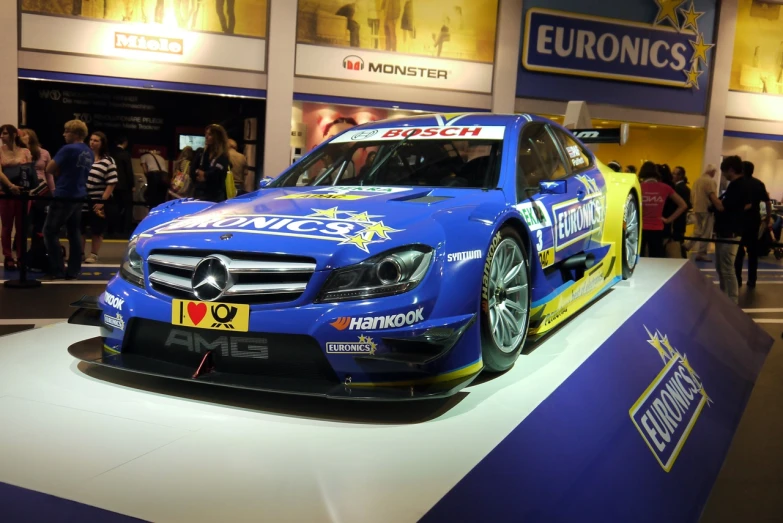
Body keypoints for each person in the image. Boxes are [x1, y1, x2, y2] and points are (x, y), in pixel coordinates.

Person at [43, 119, 94, 280]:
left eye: (67, 131)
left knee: (49, 231)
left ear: (76, 134)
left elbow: (49, 168)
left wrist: (60, 172)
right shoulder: (89, 151)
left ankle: (57, 268)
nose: (64, 134)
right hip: (79, 194)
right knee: (74, 232)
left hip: (64, 194)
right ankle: (73, 270)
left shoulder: (68, 149)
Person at [712, 155, 750, 304]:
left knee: (727, 268)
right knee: (722, 267)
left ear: (731, 170)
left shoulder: (738, 186)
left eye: (725, 171)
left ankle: (732, 300)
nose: (724, 175)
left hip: (730, 232)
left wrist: (711, 196)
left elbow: (723, 207)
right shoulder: (739, 185)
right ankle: (725, 297)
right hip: (728, 231)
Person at [81, 132, 118, 264]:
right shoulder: (85, 158)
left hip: (99, 199)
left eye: (96, 140)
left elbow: (112, 182)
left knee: (97, 228)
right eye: (91, 140)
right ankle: (79, 253)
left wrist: (103, 200)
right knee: (80, 227)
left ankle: (94, 254)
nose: (92, 143)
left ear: (102, 143)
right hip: (83, 198)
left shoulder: (108, 161)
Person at [0, 124, 33, 270]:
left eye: (5, 133)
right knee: (6, 226)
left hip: (23, 193)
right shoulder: (0, 151)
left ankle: (21, 256)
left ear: (14, 135)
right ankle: (8, 256)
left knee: (22, 227)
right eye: (1, 134)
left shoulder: (25, 151)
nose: (2, 136)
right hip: (6, 192)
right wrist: (10, 186)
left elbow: (30, 171)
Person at [734, 161, 772, 288]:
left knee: (738, 252)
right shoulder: (758, 183)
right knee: (753, 252)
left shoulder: (738, 183)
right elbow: (767, 202)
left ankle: (737, 279)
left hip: (740, 220)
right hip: (754, 221)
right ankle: (752, 280)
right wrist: (768, 217)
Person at [638, 161, 687, 258]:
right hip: (658, 228)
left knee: (639, 257)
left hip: (640, 228)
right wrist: (668, 220)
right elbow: (683, 205)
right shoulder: (665, 188)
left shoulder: (639, 187)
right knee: (656, 257)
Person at [190, 124, 230, 202]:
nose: (206, 137)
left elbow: (216, 174)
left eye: (210, 134)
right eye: (206, 134)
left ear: (217, 137)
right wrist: (199, 173)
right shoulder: (201, 153)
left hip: (215, 198)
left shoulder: (223, 156)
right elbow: (192, 171)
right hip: (199, 195)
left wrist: (205, 175)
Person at [689, 164, 719, 261]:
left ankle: (687, 245)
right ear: (711, 171)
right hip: (707, 209)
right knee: (706, 232)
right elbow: (712, 196)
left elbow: (692, 194)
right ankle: (701, 253)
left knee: (698, 230)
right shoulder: (710, 181)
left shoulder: (697, 180)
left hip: (697, 208)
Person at [111, 135, 135, 236]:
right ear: (125, 143)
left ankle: (114, 228)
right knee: (128, 208)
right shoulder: (125, 154)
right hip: (125, 186)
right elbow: (128, 171)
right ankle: (126, 229)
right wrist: (132, 184)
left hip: (112, 185)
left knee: (115, 207)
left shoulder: (111, 153)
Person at [667, 166, 691, 258]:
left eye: (674, 173)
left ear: (680, 176)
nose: (672, 176)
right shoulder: (684, 188)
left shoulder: (679, 189)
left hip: (677, 221)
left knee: (678, 246)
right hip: (680, 221)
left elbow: (684, 206)